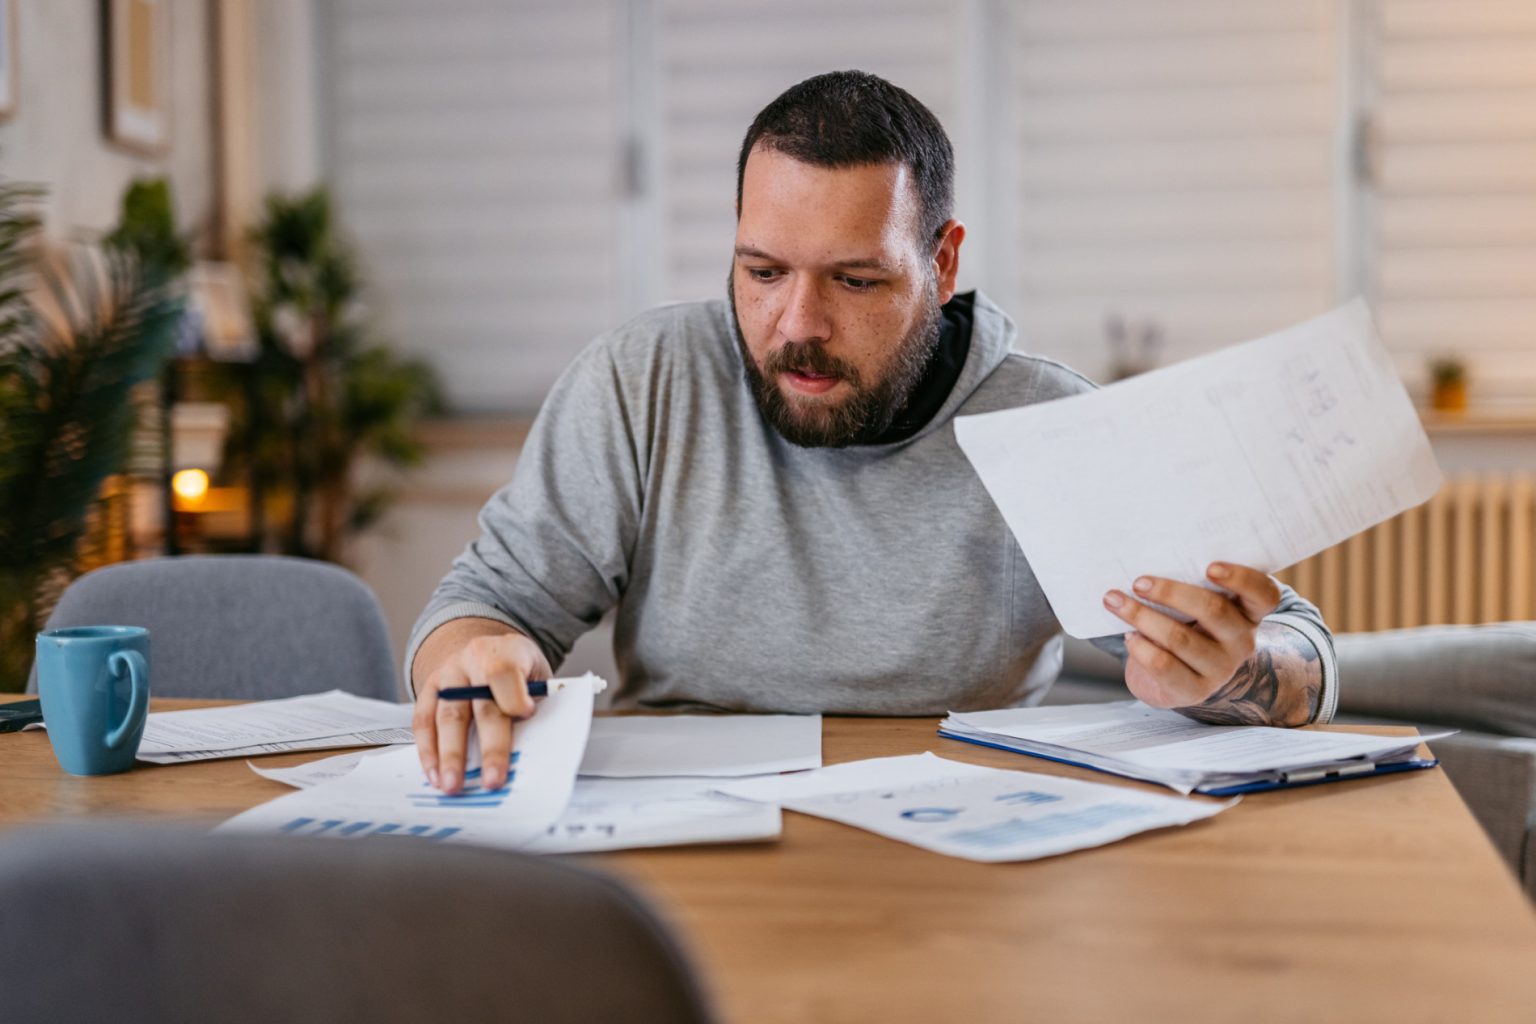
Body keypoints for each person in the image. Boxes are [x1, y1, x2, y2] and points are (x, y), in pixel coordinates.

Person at [407, 71, 1337, 794]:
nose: (796, 324)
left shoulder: (1044, 424)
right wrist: (476, 653)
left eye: (855, 281)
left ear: (940, 260)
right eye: (763, 272)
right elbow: (485, 604)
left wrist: (1236, 671)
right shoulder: (643, 380)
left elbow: (1304, 648)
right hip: (680, 837)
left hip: (961, 850)